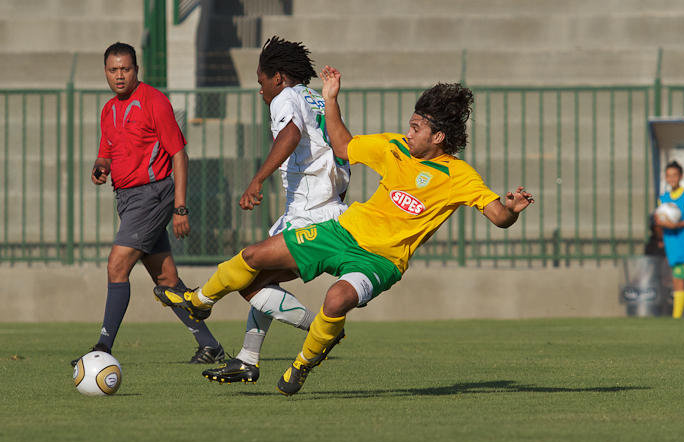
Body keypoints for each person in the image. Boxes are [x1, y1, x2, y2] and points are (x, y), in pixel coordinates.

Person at [155, 65, 534, 396]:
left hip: (382, 260)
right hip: (342, 232)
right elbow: (344, 145)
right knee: (255, 256)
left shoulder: (460, 176)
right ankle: (200, 303)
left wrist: (512, 209)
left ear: (438, 138)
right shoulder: (393, 147)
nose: (409, 132)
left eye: (417, 128)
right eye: (410, 124)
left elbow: (498, 216)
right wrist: (330, 99)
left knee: (335, 301)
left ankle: (301, 365)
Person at [197, 36, 351, 384]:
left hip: (307, 213)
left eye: (261, 82)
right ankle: (248, 358)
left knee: (249, 280)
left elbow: (291, 135)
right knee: (258, 279)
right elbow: (344, 153)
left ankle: (321, 329)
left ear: (278, 77)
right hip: (327, 209)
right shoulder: (318, 99)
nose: (261, 90)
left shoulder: (285, 98)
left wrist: (256, 180)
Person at [71, 42, 224, 366]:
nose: (119, 75)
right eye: (113, 70)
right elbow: (107, 149)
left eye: (125, 69)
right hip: (127, 199)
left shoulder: (154, 101)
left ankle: (103, 347)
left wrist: (180, 207)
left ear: (136, 70)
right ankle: (210, 345)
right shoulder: (109, 109)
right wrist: (101, 166)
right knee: (166, 279)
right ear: (106, 73)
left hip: (152, 194)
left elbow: (179, 154)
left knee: (117, 264)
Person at [653, 161, 684, 319]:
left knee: (678, 280)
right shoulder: (663, 199)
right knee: (683, 282)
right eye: (668, 175)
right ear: (665, 178)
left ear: (681, 176)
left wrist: (676, 224)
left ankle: (676, 318)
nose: (671, 178)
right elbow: (659, 221)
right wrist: (660, 224)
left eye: (675, 175)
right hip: (672, 244)